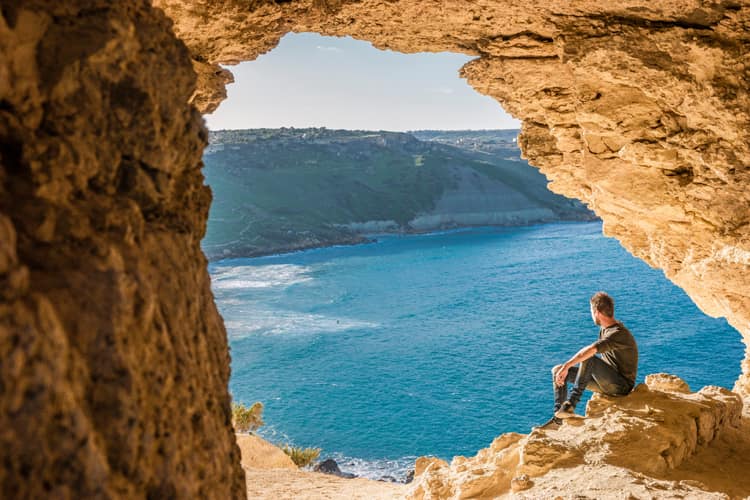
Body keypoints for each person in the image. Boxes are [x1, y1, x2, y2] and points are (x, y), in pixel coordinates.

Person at [539, 291, 638, 429]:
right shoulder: (606, 330)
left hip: (621, 386)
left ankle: (571, 404)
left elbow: (591, 350)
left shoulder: (618, 333)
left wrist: (567, 365)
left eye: (591, 311)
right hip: (606, 382)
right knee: (557, 370)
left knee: (588, 357)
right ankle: (558, 418)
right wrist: (564, 368)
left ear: (596, 311)